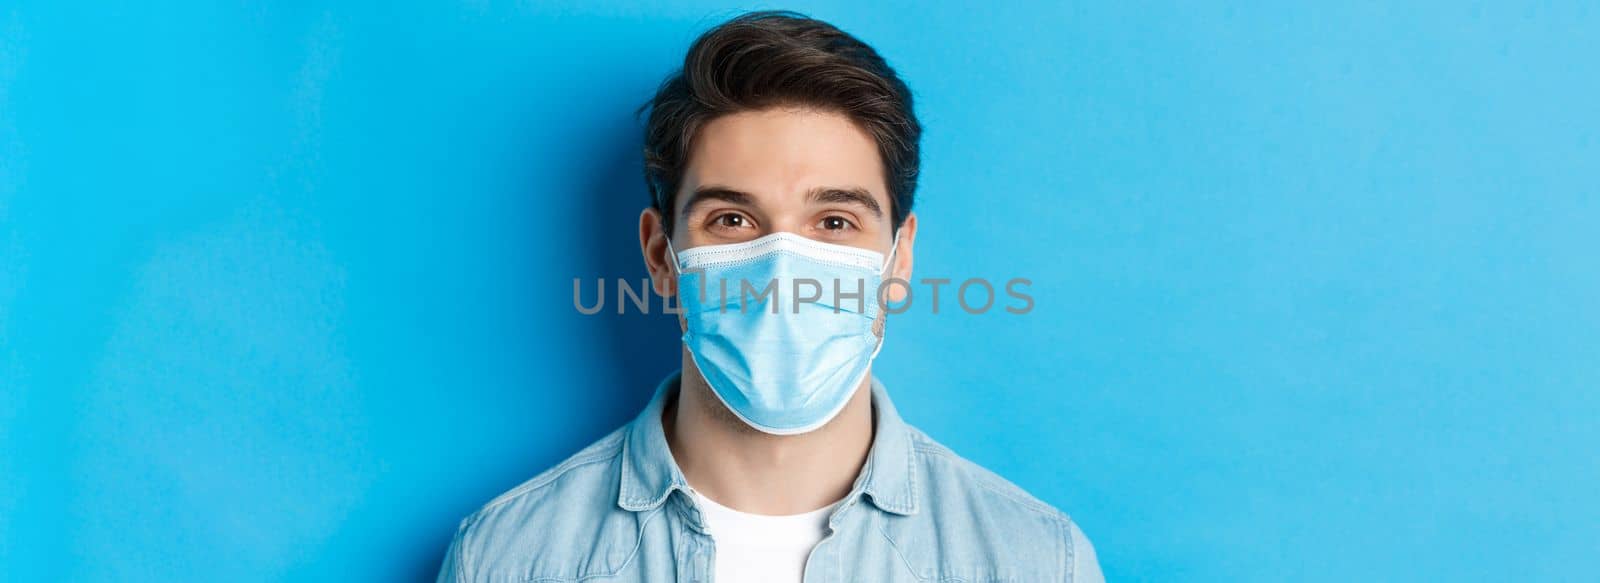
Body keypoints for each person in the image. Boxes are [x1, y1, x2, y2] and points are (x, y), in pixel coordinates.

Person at [436, 10, 1103, 582]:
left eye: (834, 222)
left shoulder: (1034, 559)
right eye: (732, 219)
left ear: (898, 258)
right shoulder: (510, 556)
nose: (783, 270)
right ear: (660, 255)